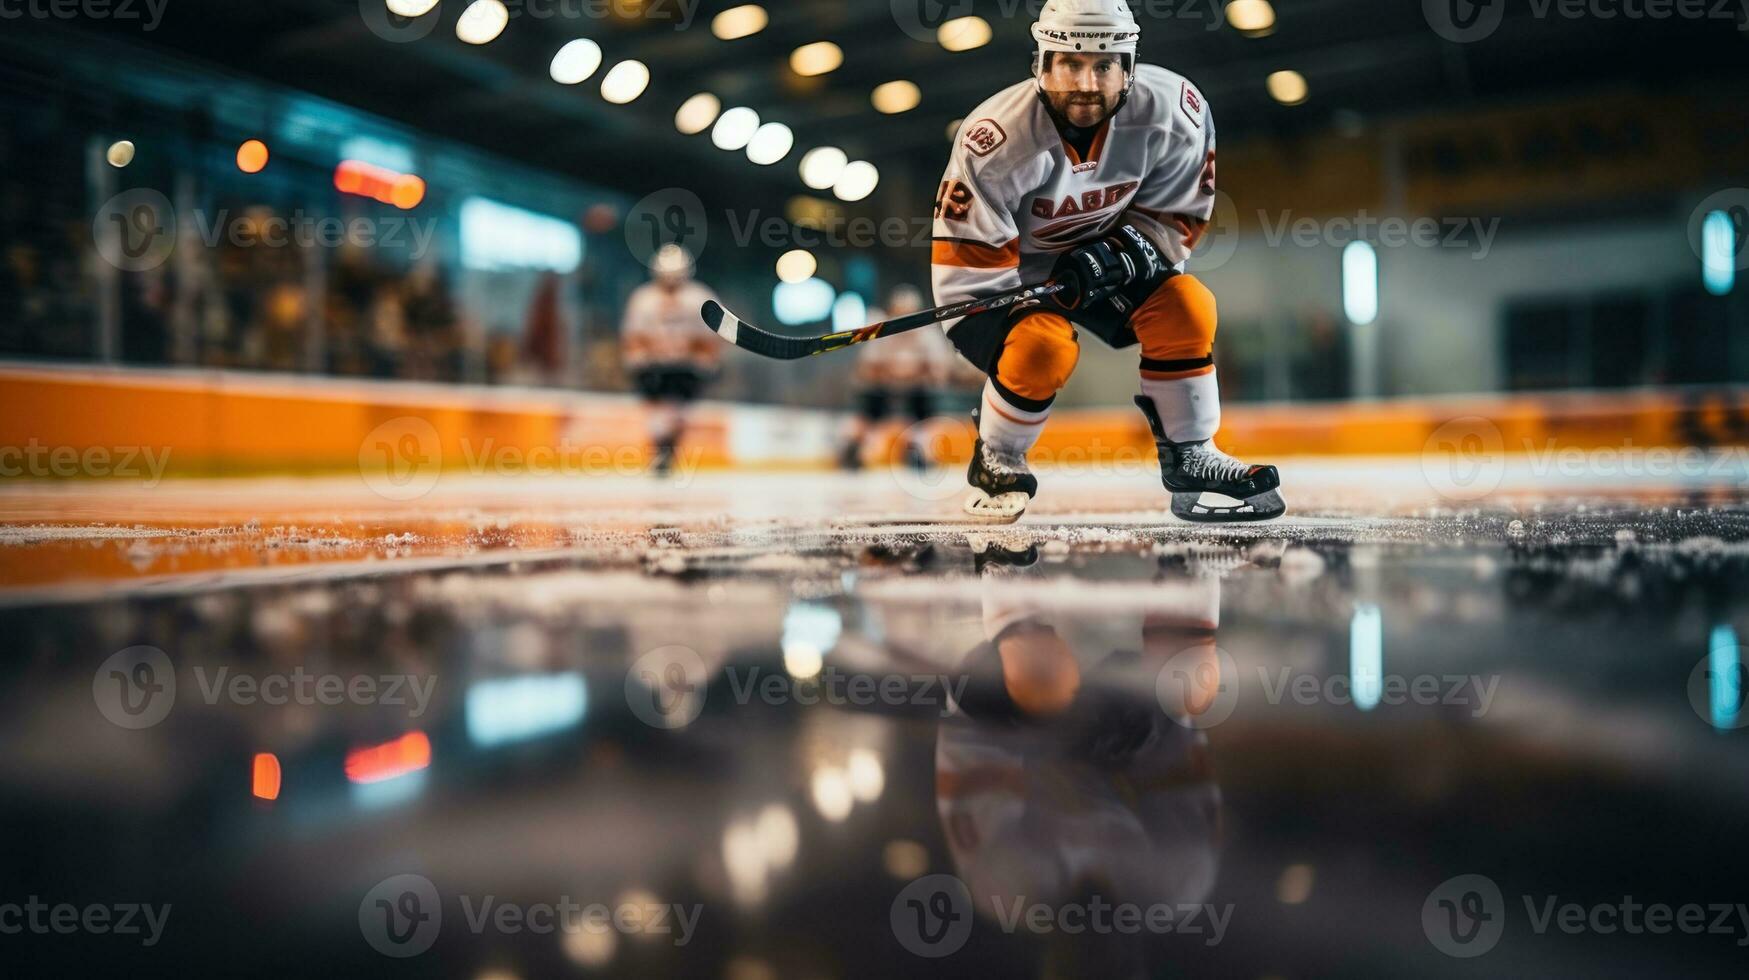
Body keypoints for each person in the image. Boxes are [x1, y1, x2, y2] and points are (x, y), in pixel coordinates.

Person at [931, 0, 1284, 524]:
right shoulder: (995, 139)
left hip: (1108, 257)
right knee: (1042, 348)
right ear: (1041, 65)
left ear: (1129, 67)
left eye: (1104, 65)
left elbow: (1176, 217)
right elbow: (970, 265)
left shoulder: (1174, 111)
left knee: (1187, 306)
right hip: (1006, 276)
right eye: (1071, 64)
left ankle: (1191, 454)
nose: (1087, 84)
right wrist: (1034, 297)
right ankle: (997, 458)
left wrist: (1125, 251)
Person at [620, 245, 722, 475]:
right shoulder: (643, 299)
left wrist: (702, 361)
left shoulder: (700, 298)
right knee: (658, 414)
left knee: (677, 413)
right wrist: (643, 358)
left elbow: (710, 339)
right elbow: (633, 337)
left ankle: (666, 451)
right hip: (652, 365)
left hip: (686, 366)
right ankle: (662, 451)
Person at [838, 284, 954, 471]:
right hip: (883, 387)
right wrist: (897, 374)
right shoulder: (879, 332)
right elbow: (866, 369)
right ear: (891, 313)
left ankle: (919, 449)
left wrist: (904, 374)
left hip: (916, 389)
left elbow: (938, 374)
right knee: (864, 413)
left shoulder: (928, 337)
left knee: (928, 418)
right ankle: (853, 447)